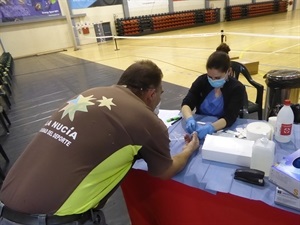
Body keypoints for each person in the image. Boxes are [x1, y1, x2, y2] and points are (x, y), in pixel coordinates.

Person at [0, 60, 199, 225]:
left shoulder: (90, 93)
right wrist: (189, 149)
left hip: (5, 204)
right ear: (152, 93)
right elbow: (164, 170)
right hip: (54, 218)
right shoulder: (147, 120)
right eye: (161, 93)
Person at [181, 51, 245, 139]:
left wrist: (211, 128)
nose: (213, 80)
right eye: (210, 77)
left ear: (228, 71)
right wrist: (189, 119)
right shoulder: (202, 81)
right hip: (200, 124)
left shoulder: (237, 88)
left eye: (217, 78)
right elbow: (187, 103)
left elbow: (230, 117)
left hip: (222, 128)